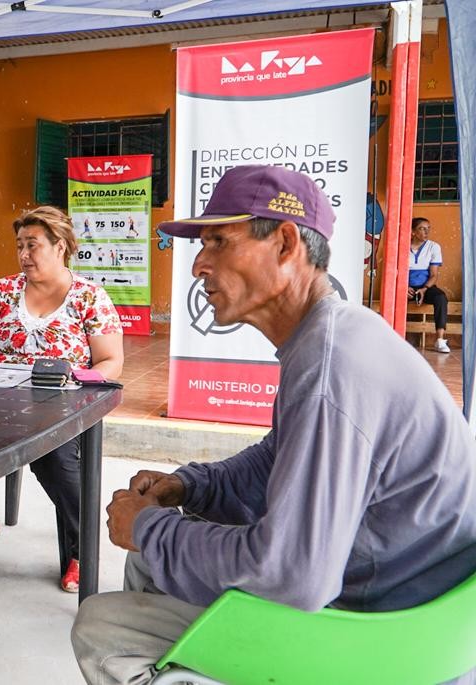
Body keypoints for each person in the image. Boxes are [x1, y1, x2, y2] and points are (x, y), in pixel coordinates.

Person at [71, 165, 476, 685]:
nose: (198, 264)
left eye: (218, 242)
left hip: (391, 633)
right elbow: (276, 457)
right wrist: (192, 485)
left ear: (285, 244)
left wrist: (149, 527)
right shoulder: (330, 336)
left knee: (102, 627)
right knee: (151, 561)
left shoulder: (330, 365)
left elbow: (295, 574)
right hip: (394, 595)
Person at [0, 205, 124, 592]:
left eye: (32, 245)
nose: (23, 254)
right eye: (19, 245)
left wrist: (74, 384)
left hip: (59, 408)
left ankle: (80, 550)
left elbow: (111, 361)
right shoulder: (4, 290)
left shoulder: (89, 297)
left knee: (60, 463)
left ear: (60, 246)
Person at [408, 215, 451, 353]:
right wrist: (403, 287)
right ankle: (391, 338)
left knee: (441, 298)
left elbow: (434, 275)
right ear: (413, 232)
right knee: (390, 297)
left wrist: (424, 289)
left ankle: (440, 340)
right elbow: (396, 271)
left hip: (426, 286)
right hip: (405, 287)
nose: (426, 232)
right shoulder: (401, 246)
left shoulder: (433, 247)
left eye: (428, 228)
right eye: (422, 229)